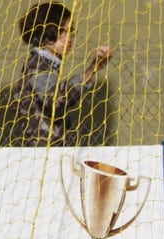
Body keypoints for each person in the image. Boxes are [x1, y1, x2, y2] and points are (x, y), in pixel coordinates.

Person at [12, 2, 111, 146]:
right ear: (46, 31)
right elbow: (55, 100)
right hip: (45, 154)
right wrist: (91, 69)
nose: (69, 37)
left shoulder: (48, 64)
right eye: (62, 31)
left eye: (71, 31)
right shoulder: (37, 64)